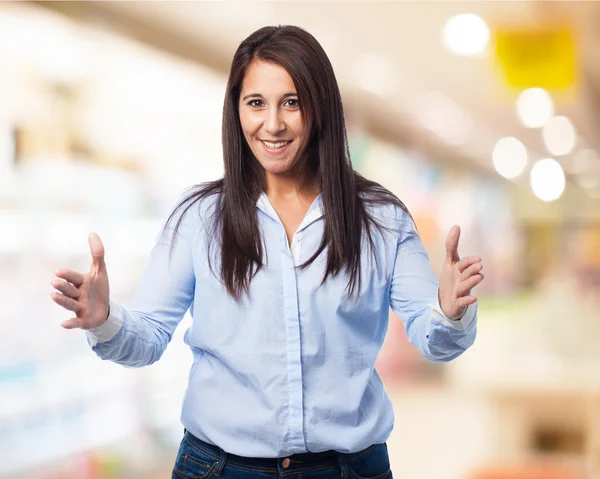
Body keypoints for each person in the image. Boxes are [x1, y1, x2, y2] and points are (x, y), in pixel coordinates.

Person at [50, 25, 484, 479]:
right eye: (256, 103)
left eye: (291, 102)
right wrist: (104, 319)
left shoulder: (380, 218)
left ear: (320, 108)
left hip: (348, 470)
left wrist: (449, 312)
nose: (272, 124)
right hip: (219, 468)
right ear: (236, 110)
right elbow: (148, 339)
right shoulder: (200, 217)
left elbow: (434, 340)